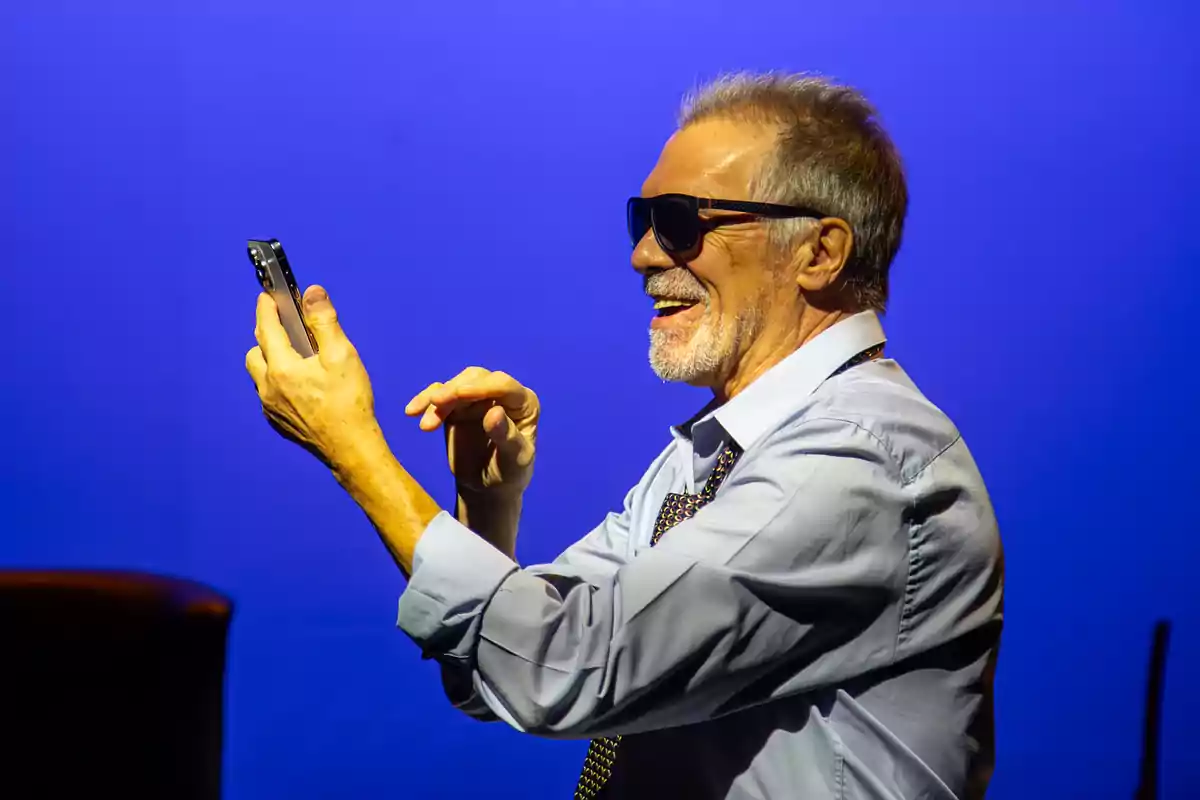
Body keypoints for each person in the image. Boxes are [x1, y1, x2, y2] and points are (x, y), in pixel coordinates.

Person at [245, 72, 1003, 800]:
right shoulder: (719, 453)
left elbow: (559, 667)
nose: (643, 255)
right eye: (641, 221)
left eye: (680, 223)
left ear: (819, 253)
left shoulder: (858, 457)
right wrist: (488, 504)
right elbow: (495, 671)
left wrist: (355, 450)